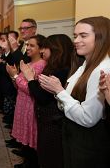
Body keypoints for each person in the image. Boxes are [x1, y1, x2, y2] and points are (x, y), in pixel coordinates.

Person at [39, 16, 110, 168]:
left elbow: (88, 118)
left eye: (83, 36)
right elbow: (65, 103)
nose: (76, 40)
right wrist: (58, 92)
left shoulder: (102, 69)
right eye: (75, 36)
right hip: (74, 137)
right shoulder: (83, 65)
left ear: (101, 38)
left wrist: (59, 91)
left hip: (88, 143)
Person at [21, 34, 74, 168]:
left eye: (46, 48)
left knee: (51, 159)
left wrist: (30, 79)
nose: (42, 51)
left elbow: (42, 98)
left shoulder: (62, 71)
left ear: (57, 50)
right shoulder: (53, 67)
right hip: (47, 121)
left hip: (53, 123)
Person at [6, 34, 46, 168]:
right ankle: (27, 163)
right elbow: (19, 86)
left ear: (41, 49)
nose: (27, 48)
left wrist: (15, 76)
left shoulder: (41, 65)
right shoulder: (27, 63)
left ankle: (31, 164)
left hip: (31, 106)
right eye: (27, 45)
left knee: (31, 138)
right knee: (25, 138)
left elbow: (31, 89)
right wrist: (13, 77)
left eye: (32, 45)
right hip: (22, 104)